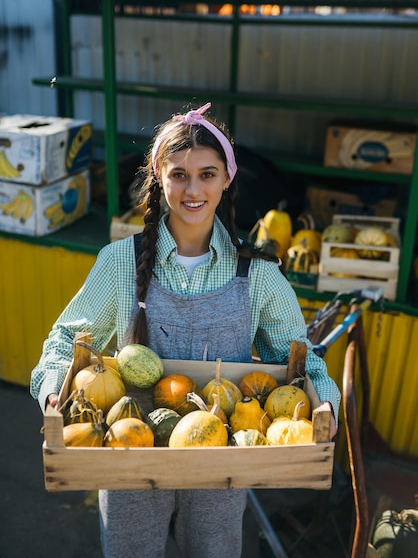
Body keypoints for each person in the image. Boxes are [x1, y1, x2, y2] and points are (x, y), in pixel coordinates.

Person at [31, 102, 340, 558]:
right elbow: (63, 339)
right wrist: (55, 390)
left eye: (207, 174)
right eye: (179, 174)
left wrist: (325, 400)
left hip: (219, 457)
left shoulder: (259, 276)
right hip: (129, 447)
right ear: (159, 176)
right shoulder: (120, 263)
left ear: (227, 179)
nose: (192, 189)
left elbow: (299, 358)